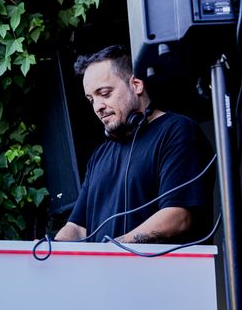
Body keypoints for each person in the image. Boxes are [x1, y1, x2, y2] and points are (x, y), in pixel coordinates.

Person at [54, 44, 214, 243]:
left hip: (163, 273)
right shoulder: (100, 155)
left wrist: (115, 248)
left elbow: (178, 216)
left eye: (104, 94)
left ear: (136, 84)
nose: (97, 107)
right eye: (91, 99)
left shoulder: (177, 131)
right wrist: (52, 250)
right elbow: (78, 228)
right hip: (105, 271)